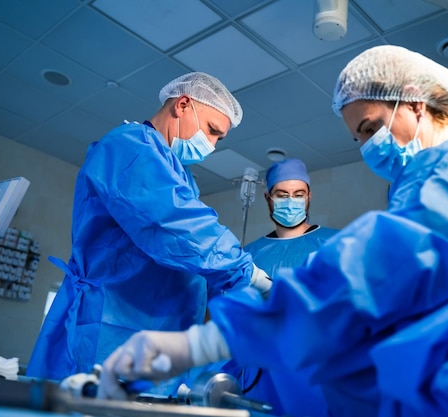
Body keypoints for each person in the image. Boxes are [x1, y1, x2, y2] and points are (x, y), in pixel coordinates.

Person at [96, 45, 448, 417]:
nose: (368, 146)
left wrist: (200, 342)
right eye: (359, 137)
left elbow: (363, 277)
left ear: (415, 102)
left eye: (372, 126)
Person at [26, 72, 271, 382]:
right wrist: (250, 276)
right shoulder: (130, 149)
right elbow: (178, 226)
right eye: (211, 130)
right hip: (112, 332)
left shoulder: (179, 174)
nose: (210, 145)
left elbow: (187, 263)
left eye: (218, 139)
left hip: (156, 338)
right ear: (182, 105)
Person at [218, 158, 339, 416]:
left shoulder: (335, 245)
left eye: (298, 194)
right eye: (282, 195)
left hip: (315, 374)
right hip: (257, 377)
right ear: (267, 198)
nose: (291, 200)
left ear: (309, 197)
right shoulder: (247, 256)